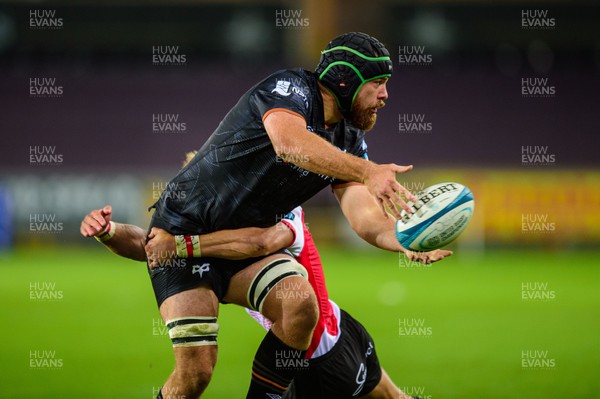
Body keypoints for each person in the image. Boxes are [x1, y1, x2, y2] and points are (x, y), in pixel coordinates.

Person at [114, 31, 451, 398]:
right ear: (346, 80)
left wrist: (404, 238)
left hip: (250, 249)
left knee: (300, 306)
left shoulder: (348, 138)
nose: (385, 96)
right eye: (378, 84)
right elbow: (290, 144)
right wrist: (367, 172)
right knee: (196, 373)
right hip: (183, 234)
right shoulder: (289, 89)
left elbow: (364, 218)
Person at [81, 204, 424, 399]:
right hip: (328, 331)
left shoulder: (280, 212)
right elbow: (152, 246)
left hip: (320, 359)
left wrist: (183, 245)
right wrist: (109, 233)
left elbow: (259, 244)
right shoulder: (219, 234)